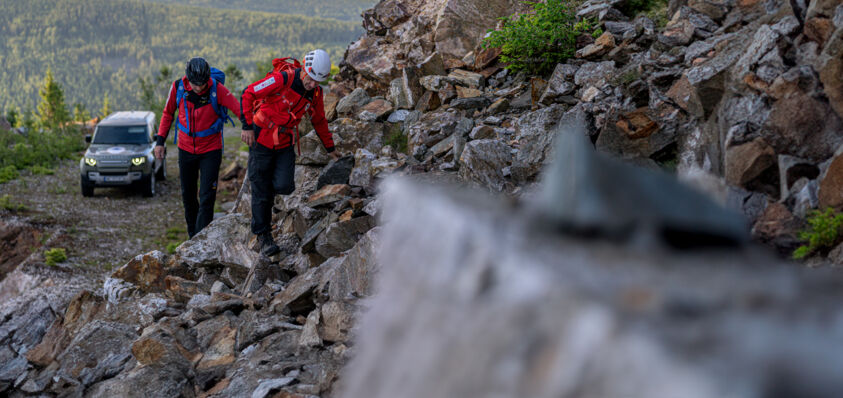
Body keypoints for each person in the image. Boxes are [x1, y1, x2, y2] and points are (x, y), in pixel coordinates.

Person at [240, 49, 340, 256]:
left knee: (285, 186)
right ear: (304, 69)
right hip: (261, 137)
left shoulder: (315, 93)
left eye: (317, 82)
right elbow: (248, 93)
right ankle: (264, 236)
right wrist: (246, 126)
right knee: (260, 190)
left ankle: (266, 200)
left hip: (284, 141)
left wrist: (330, 149)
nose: (312, 85)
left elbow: (319, 120)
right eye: (310, 79)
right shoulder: (282, 79)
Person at [154, 57, 241, 238]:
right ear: (188, 78)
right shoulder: (178, 87)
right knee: (188, 195)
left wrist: (251, 127)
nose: (199, 88)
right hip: (185, 149)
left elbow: (239, 109)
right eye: (195, 84)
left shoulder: (217, 89)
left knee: (207, 196)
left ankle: (201, 240)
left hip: (211, 149)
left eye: (202, 84)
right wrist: (160, 141)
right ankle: (192, 236)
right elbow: (168, 113)